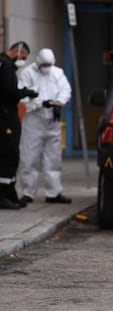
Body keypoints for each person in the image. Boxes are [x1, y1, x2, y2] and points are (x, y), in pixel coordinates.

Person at [18, 48, 72, 205]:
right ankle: (28, 192)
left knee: (53, 159)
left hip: (52, 122)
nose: (47, 67)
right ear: (39, 63)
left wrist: (59, 103)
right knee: (29, 158)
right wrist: (41, 103)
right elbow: (22, 96)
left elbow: (65, 90)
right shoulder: (28, 73)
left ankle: (53, 193)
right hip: (34, 121)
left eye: (49, 64)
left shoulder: (57, 73)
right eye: (45, 64)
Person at [0, 41, 38, 209]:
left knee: (9, 154)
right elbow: (10, 92)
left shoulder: (3, 64)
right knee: (10, 154)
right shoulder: (6, 66)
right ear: (17, 51)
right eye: (23, 57)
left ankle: (10, 194)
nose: (23, 60)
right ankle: (4, 195)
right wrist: (28, 93)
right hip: (5, 116)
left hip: (5, 115)